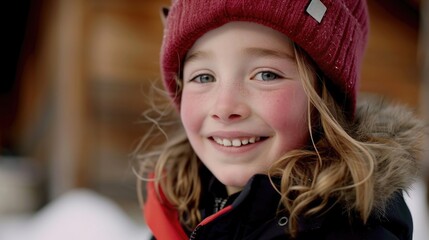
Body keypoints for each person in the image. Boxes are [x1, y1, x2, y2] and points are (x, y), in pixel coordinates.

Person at [135, 0, 426, 239]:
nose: (224, 108)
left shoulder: (352, 230)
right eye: (203, 77)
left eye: (266, 75)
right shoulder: (178, 212)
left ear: (323, 99)